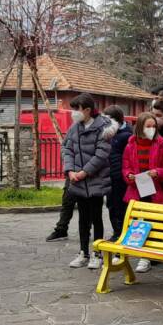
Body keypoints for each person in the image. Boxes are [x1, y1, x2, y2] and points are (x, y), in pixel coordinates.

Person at [62, 93, 112, 270]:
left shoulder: (103, 128)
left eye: (77, 109)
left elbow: (101, 154)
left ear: (88, 110)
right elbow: (67, 148)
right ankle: (83, 252)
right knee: (82, 218)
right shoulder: (74, 128)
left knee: (96, 217)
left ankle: (97, 253)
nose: (73, 112)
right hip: (77, 181)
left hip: (95, 181)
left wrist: (84, 172)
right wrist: (70, 171)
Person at [122, 112, 163, 274]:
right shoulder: (130, 145)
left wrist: (158, 172)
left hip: (155, 189)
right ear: (140, 127)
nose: (151, 129)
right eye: (148, 126)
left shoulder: (160, 144)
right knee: (139, 224)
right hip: (137, 188)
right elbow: (126, 166)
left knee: (154, 223)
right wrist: (129, 176)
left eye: (153, 126)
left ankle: (149, 256)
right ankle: (142, 255)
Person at [101, 106, 132, 240]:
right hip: (109, 175)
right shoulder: (108, 133)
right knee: (111, 205)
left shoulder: (126, 135)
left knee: (120, 206)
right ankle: (117, 231)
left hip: (120, 177)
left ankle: (121, 232)